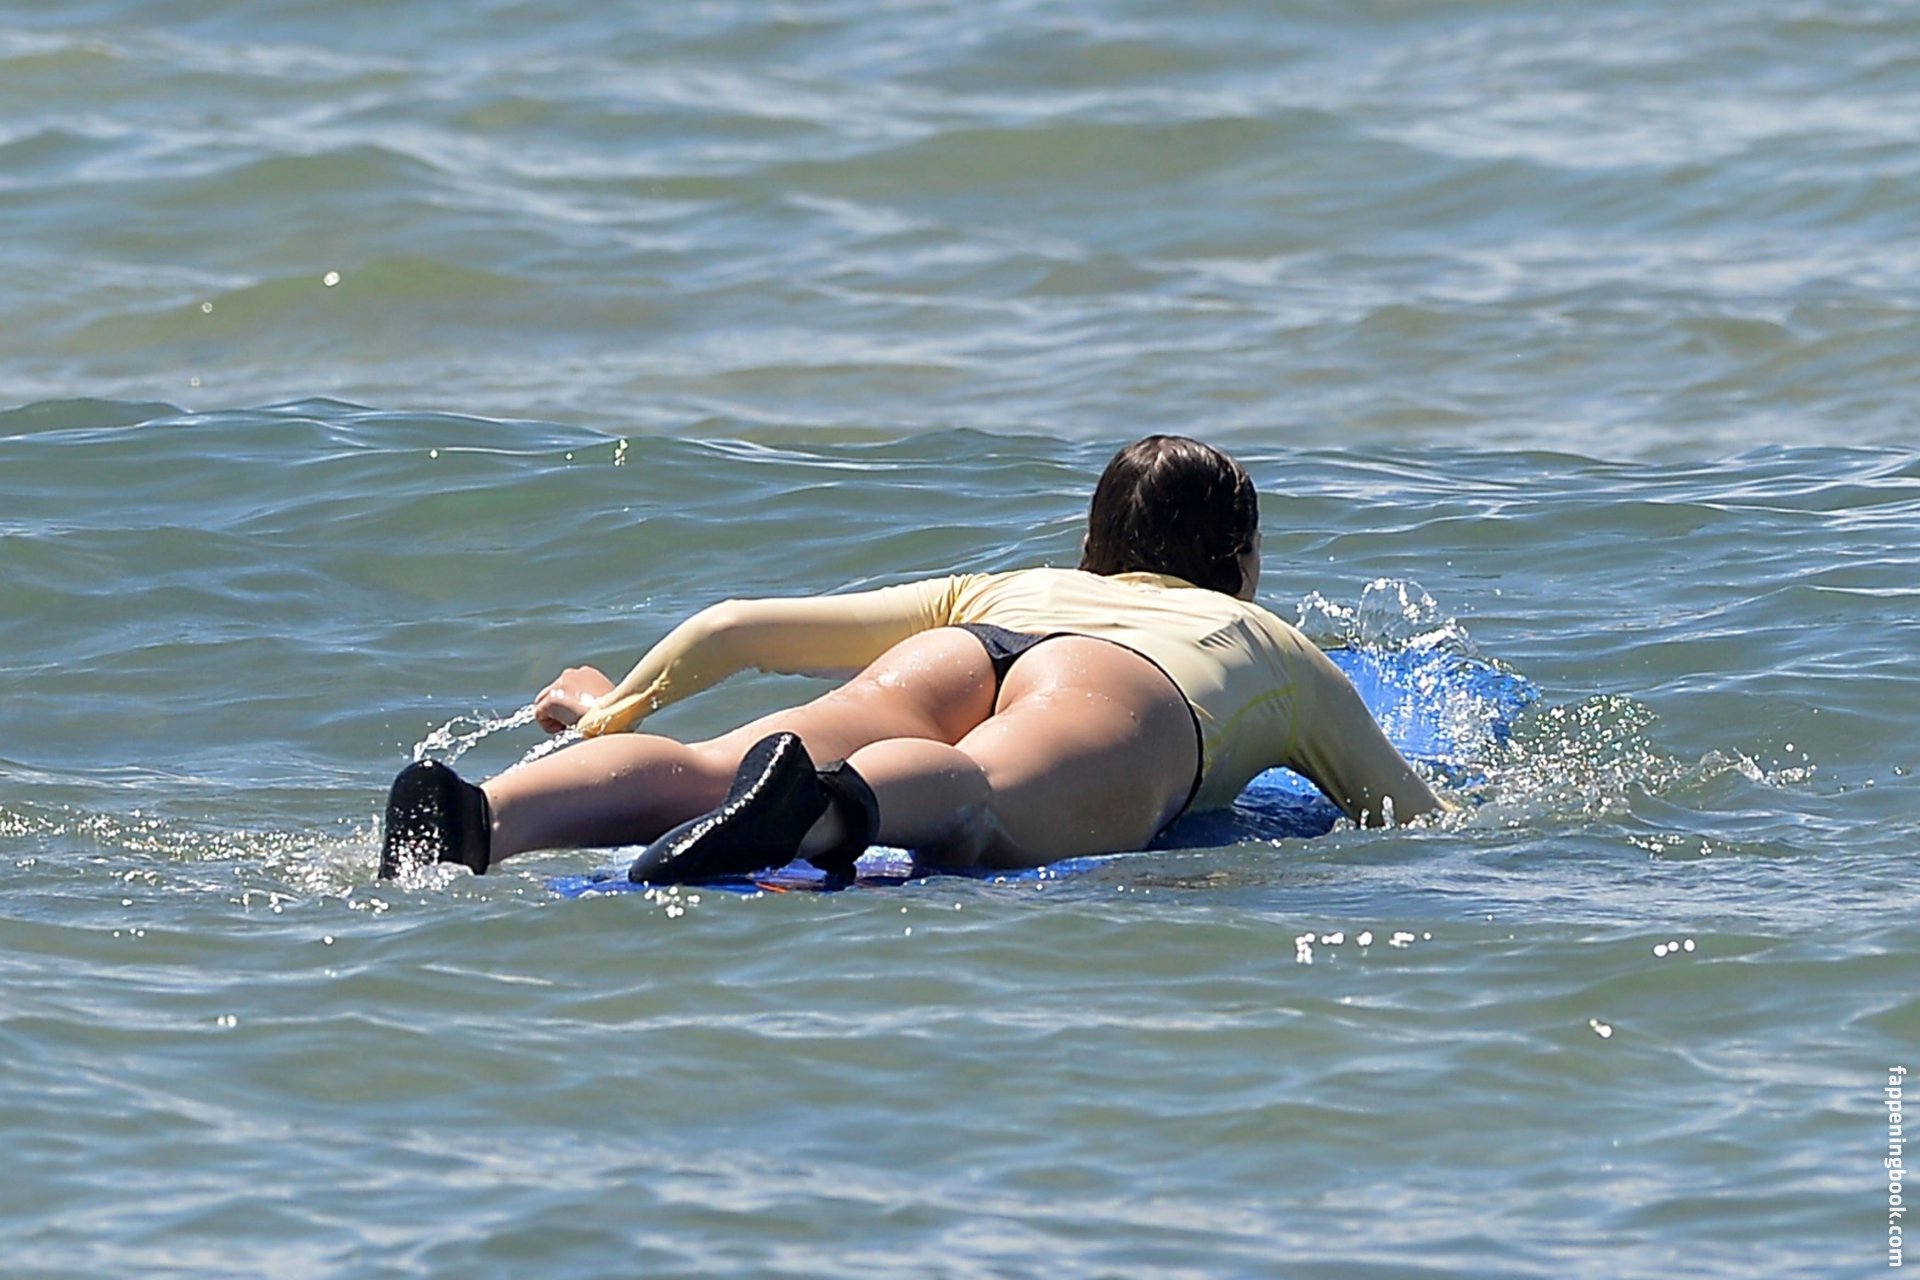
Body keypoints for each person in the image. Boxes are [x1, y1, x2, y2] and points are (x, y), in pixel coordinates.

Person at [379, 435, 1442, 884]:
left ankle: (481, 816)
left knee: (710, 766)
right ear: (1243, 562)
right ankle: (823, 809)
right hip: (1131, 689)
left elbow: (737, 625)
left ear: (1091, 543)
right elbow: (1406, 815)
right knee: (978, 790)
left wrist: (613, 708)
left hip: (968, 647)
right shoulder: (1273, 647)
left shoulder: (1009, 584)